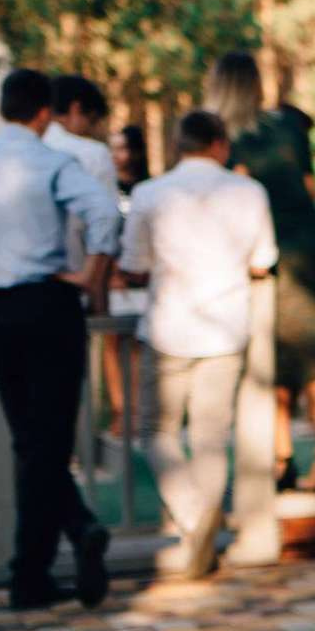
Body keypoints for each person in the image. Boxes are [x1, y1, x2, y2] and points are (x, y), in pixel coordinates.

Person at [0, 68, 121, 609]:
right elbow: (102, 211)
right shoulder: (51, 160)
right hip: (48, 304)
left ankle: (32, 575)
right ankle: (71, 532)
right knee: (46, 442)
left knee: (31, 441)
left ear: (4, 107)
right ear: (44, 113)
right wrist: (91, 276)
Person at [118, 112, 277, 578]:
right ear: (220, 143)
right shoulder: (249, 192)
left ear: (178, 143)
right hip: (226, 327)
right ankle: (204, 515)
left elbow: (134, 261)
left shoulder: (150, 193)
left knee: (156, 431)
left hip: (169, 325)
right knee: (210, 436)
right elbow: (264, 260)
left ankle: (191, 514)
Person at [207, 53, 315, 492]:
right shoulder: (287, 127)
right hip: (309, 249)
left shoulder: (221, 138)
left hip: (262, 260)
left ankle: (282, 457)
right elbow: (308, 186)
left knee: (271, 363)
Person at [101, 123, 152, 439]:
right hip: (113, 281)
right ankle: (121, 412)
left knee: (141, 347)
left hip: (146, 280)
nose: (118, 156)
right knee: (112, 345)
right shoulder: (105, 188)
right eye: (113, 149)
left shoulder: (149, 188)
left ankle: (143, 411)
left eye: (123, 148)